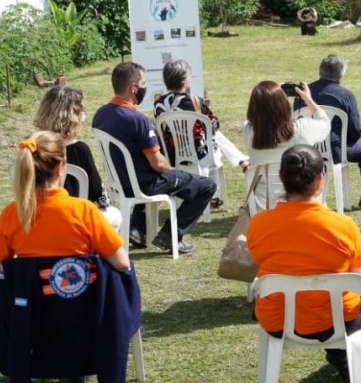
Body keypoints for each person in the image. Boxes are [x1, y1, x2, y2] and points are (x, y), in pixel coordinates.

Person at [0, 131, 131, 383]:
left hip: (34, 318)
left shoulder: (12, 215)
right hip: (85, 317)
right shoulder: (84, 211)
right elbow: (121, 262)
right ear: (62, 167)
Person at [248, 144, 361, 382]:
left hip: (277, 318)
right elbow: (357, 273)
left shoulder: (259, 224)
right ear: (320, 179)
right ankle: (349, 352)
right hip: (336, 319)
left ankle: (343, 355)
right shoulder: (343, 225)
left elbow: (256, 259)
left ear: (281, 177)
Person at [93, 62, 216, 254]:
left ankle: (137, 229)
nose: (145, 87)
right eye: (143, 83)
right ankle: (170, 235)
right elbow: (158, 163)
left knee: (165, 177)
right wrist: (172, 170)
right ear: (133, 88)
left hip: (121, 182)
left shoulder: (100, 114)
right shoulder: (138, 120)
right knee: (207, 186)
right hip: (146, 184)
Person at [154, 59, 250, 208]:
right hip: (198, 155)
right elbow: (214, 125)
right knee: (215, 136)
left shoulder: (158, 103)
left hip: (172, 156)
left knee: (214, 138)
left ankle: (240, 161)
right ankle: (239, 162)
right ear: (185, 81)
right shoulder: (195, 101)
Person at [33, 85, 122, 230]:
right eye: (81, 109)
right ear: (73, 114)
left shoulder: (31, 146)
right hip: (75, 216)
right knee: (114, 215)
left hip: (39, 216)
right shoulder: (80, 150)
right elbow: (98, 195)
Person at [294, 54, 361, 209]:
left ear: (320, 71)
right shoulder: (345, 95)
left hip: (307, 149)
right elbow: (354, 131)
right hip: (337, 150)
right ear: (340, 76)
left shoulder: (302, 94)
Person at [244, 81, 330, 211]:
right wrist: (308, 99)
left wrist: (270, 93)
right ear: (283, 105)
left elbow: (250, 120)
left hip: (263, 207)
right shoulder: (302, 129)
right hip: (302, 206)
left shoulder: (248, 132)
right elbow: (324, 122)